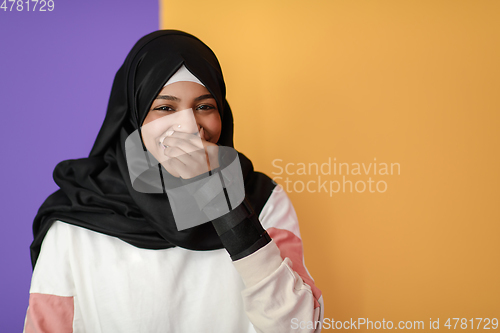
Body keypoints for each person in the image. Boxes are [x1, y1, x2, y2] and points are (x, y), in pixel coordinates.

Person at [24, 30, 324, 333]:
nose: (189, 127)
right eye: (165, 108)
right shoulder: (78, 215)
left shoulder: (263, 200)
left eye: (205, 106)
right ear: (133, 117)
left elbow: (298, 327)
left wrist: (220, 199)